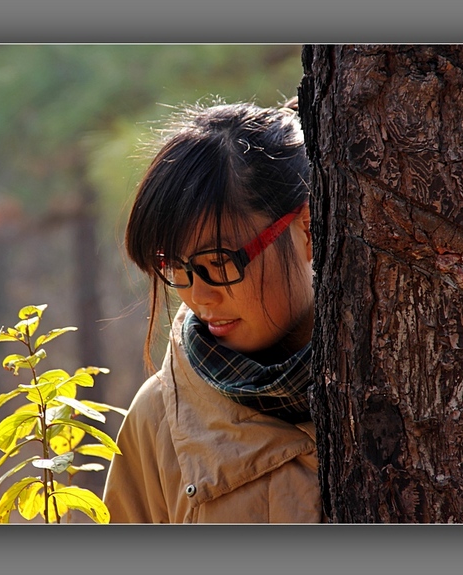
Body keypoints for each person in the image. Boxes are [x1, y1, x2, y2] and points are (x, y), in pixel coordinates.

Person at [103, 98, 323, 523]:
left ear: (307, 228)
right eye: (175, 267)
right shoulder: (158, 419)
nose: (197, 297)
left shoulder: (414, 381)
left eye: (219, 263)